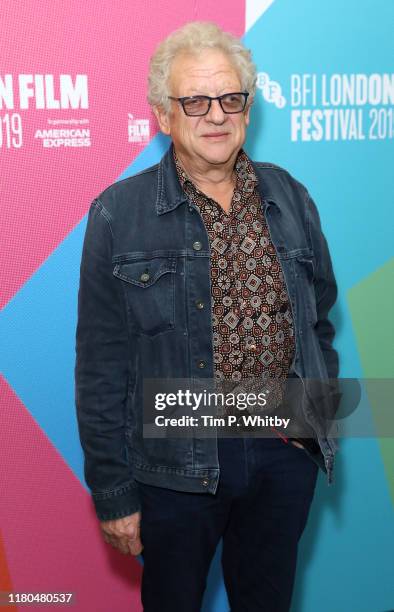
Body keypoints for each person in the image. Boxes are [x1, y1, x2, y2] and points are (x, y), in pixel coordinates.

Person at [75, 21, 339, 612]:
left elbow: (318, 323)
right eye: (194, 100)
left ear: (248, 107)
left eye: (230, 98)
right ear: (164, 116)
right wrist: (114, 493)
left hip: (281, 455)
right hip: (174, 467)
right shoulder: (119, 215)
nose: (215, 115)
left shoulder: (291, 196)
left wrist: (310, 428)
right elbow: (100, 367)